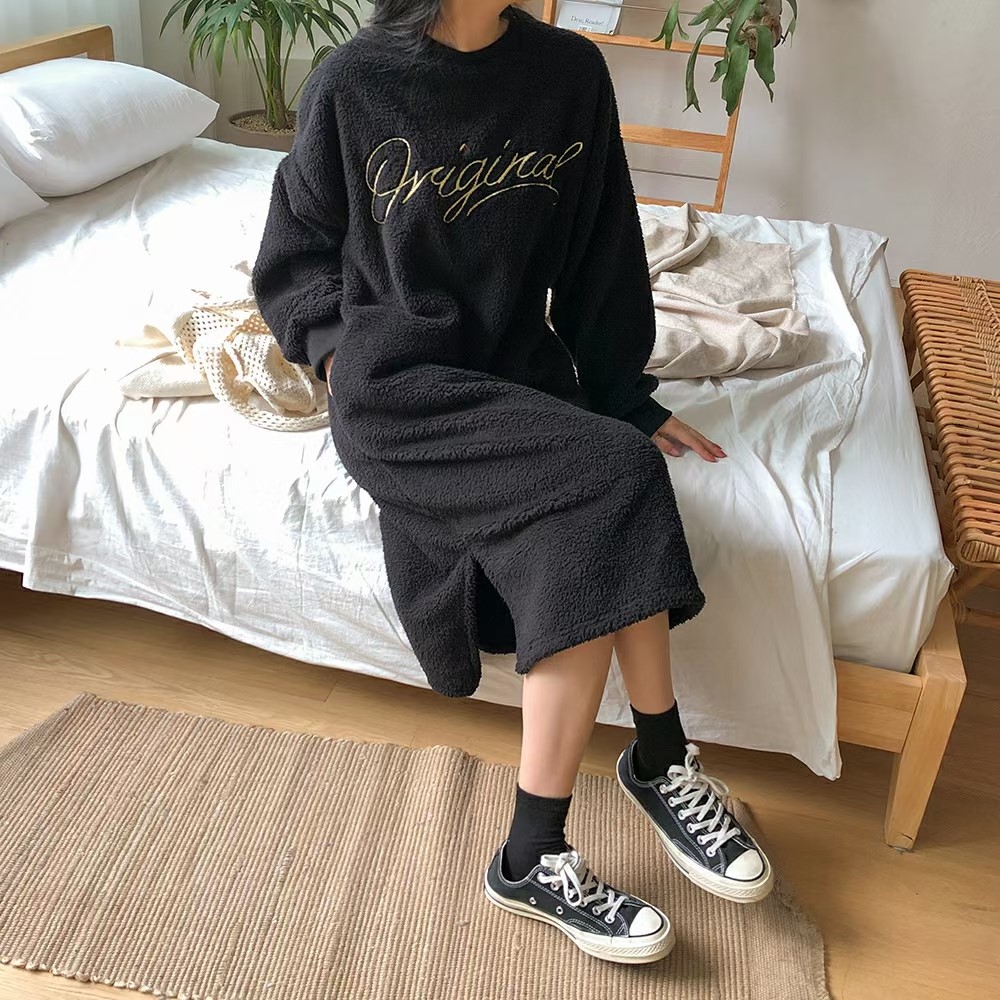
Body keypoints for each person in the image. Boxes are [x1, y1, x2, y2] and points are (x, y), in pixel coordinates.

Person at [252, 0, 774, 966]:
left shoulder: (568, 74)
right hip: (398, 391)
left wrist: (622, 394)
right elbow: (293, 256)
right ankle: (655, 761)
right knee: (615, 475)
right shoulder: (353, 81)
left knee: (599, 491)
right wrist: (334, 354)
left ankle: (542, 847)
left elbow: (603, 250)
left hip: (515, 370)